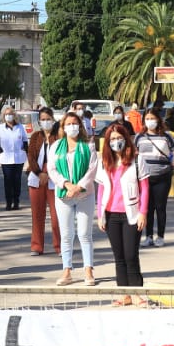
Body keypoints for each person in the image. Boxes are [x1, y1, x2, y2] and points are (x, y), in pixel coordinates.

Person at [96, 122, 149, 306]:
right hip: (111, 215)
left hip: (131, 215)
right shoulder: (104, 162)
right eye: (112, 139)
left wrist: (143, 212)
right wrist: (100, 214)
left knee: (130, 255)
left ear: (126, 139)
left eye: (119, 138)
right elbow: (101, 189)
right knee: (118, 257)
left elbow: (145, 187)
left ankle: (137, 293)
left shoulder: (136, 160)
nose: (116, 142)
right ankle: (124, 294)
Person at [47, 111, 99, 287]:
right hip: (64, 196)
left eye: (75, 123)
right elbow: (52, 169)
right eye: (68, 124)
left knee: (85, 233)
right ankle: (67, 270)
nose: (72, 127)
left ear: (80, 125)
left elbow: (92, 169)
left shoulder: (88, 146)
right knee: (66, 234)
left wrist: (79, 186)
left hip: (85, 194)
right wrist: (67, 185)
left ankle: (88, 270)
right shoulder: (55, 147)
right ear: (63, 127)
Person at [134, 107, 174, 247]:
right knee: (147, 208)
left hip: (162, 176)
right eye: (147, 119)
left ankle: (160, 236)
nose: (150, 121)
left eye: (152, 118)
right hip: (145, 177)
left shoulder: (167, 136)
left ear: (158, 119)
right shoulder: (139, 137)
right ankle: (148, 236)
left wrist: (171, 165)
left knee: (160, 207)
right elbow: (134, 154)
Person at [26, 106, 61, 256]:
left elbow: (60, 158)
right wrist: (39, 173)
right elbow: (31, 157)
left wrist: (47, 173)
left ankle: (59, 246)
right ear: (39, 121)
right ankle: (36, 246)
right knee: (37, 215)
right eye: (43, 119)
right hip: (36, 178)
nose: (46, 122)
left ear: (53, 120)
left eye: (48, 119)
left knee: (56, 215)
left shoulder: (58, 137)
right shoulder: (35, 137)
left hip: (54, 179)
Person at [0, 105, 28, 210]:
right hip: (6, 158)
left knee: (17, 181)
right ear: (4, 116)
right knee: (8, 181)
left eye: (10, 114)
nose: (9, 116)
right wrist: (0, 152)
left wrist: (25, 149)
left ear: (14, 115)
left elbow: (25, 140)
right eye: (6, 114)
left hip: (18, 158)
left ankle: (16, 201)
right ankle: (8, 202)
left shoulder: (20, 127)